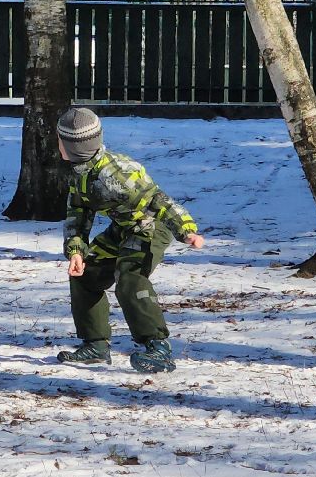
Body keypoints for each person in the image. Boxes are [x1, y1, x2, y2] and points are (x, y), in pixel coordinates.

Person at [54, 107, 204, 373]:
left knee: (130, 279)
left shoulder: (118, 176)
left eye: (60, 141)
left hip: (151, 228)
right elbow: (78, 213)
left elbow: (160, 201)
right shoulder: (82, 173)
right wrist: (76, 251)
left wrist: (186, 230)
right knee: (85, 273)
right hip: (123, 228)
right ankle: (96, 345)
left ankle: (158, 348)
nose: (58, 146)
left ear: (71, 146)